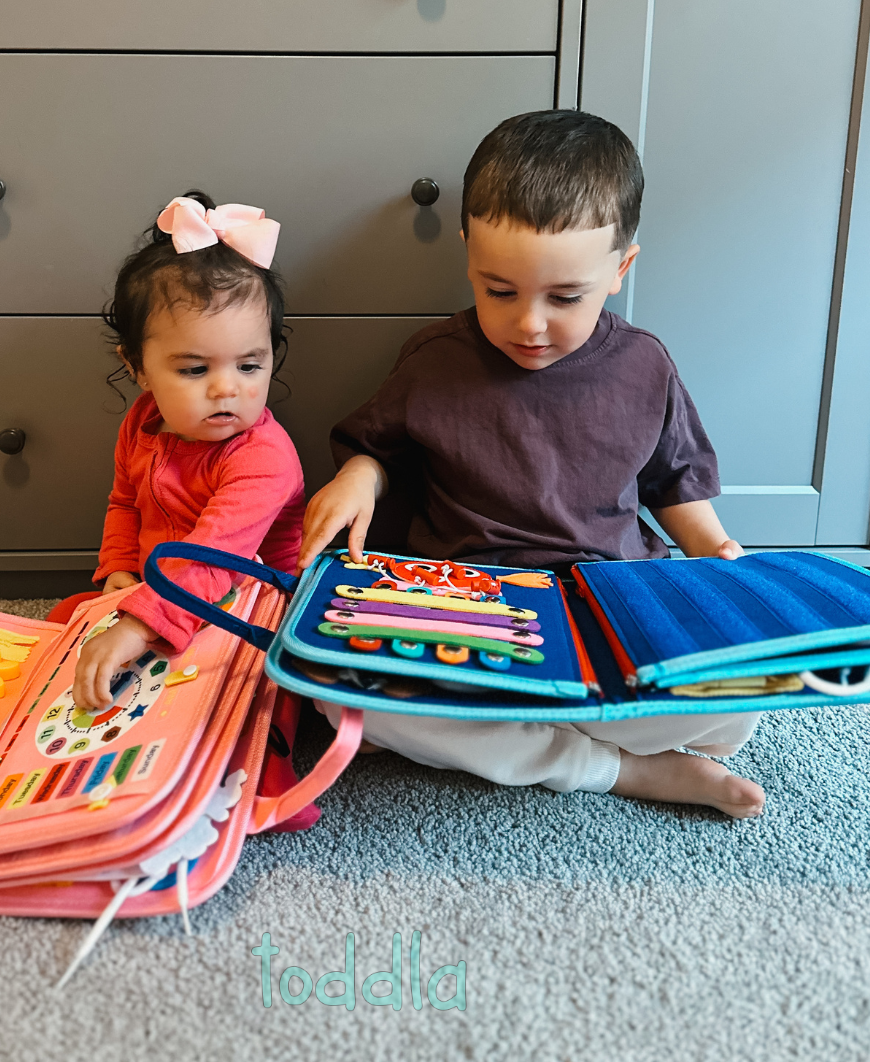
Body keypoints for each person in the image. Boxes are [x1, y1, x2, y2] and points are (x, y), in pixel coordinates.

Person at [298, 111, 766, 819]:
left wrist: (714, 554)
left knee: (740, 707)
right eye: (500, 291)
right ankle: (613, 769)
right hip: (469, 614)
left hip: (606, 609)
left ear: (621, 269)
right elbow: (379, 447)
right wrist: (357, 476)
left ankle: (529, 735)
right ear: (468, 256)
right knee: (334, 696)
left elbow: (674, 482)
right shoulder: (435, 360)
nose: (530, 324)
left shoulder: (644, 365)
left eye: (565, 298)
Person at [60, 194, 313, 825]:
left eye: (250, 365)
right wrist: (119, 571)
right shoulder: (143, 422)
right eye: (195, 369)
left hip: (250, 604)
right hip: (162, 590)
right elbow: (124, 501)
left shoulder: (263, 458)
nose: (227, 388)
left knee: (257, 681)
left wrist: (136, 625)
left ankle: (262, 771)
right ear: (139, 368)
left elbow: (213, 560)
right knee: (67, 623)